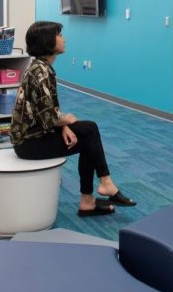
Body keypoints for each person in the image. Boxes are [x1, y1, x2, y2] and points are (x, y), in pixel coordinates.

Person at [11, 21, 136, 216]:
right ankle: (104, 185)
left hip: (34, 135)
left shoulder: (40, 68)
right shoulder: (40, 73)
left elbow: (46, 112)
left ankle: (90, 199)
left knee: (87, 135)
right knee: (89, 130)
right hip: (28, 144)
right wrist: (66, 120)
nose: (64, 39)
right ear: (48, 42)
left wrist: (64, 126)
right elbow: (49, 118)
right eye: (59, 35)